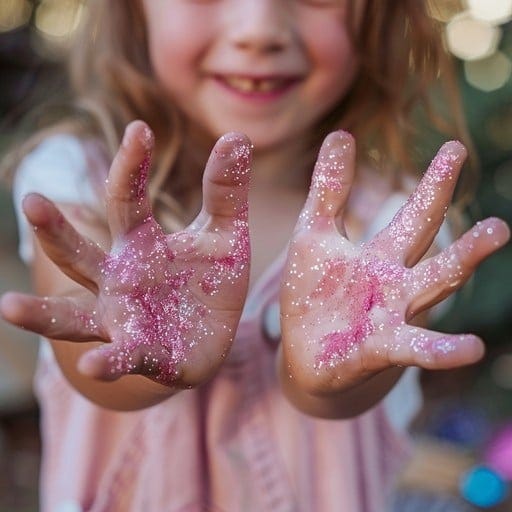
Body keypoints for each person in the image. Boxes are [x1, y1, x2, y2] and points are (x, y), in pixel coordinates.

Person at [0, 1, 509, 510]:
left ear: (376, 17)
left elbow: (340, 398)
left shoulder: (391, 234)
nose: (260, 29)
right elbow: (86, 353)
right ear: (133, 12)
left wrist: (328, 373)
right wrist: (141, 335)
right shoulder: (80, 182)